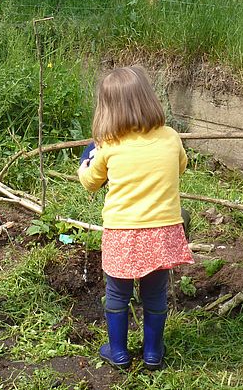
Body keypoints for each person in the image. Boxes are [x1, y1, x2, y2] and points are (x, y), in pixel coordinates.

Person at [77, 66, 194, 370]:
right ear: (147, 98)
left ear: (108, 108)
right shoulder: (170, 137)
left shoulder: (109, 146)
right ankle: (153, 353)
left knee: (117, 293)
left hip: (123, 233)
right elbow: (181, 167)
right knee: (155, 293)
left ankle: (118, 353)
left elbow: (90, 182)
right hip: (163, 231)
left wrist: (86, 159)